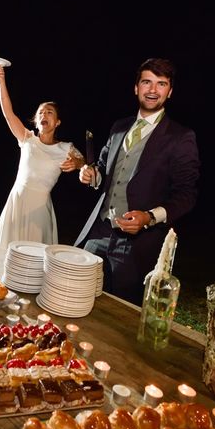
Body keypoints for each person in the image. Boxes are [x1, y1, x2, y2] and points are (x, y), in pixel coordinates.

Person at [75, 58, 200, 305]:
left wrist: (149, 217)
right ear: (136, 87)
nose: (153, 90)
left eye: (161, 84)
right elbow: (102, 169)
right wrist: (91, 175)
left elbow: (186, 195)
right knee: (77, 293)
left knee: (121, 315)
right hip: (98, 231)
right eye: (147, 82)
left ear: (170, 91)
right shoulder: (119, 127)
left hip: (136, 246)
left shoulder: (181, 137)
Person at [0, 64, 84, 248]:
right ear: (36, 121)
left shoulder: (65, 148)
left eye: (49, 112)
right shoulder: (27, 139)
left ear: (57, 122)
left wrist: (77, 163)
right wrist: (1, 81)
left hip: (40, 209)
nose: (44, 115)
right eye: (40, 112)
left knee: (33, 257)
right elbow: (8, 113)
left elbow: (84, 162)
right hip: (18, 200)